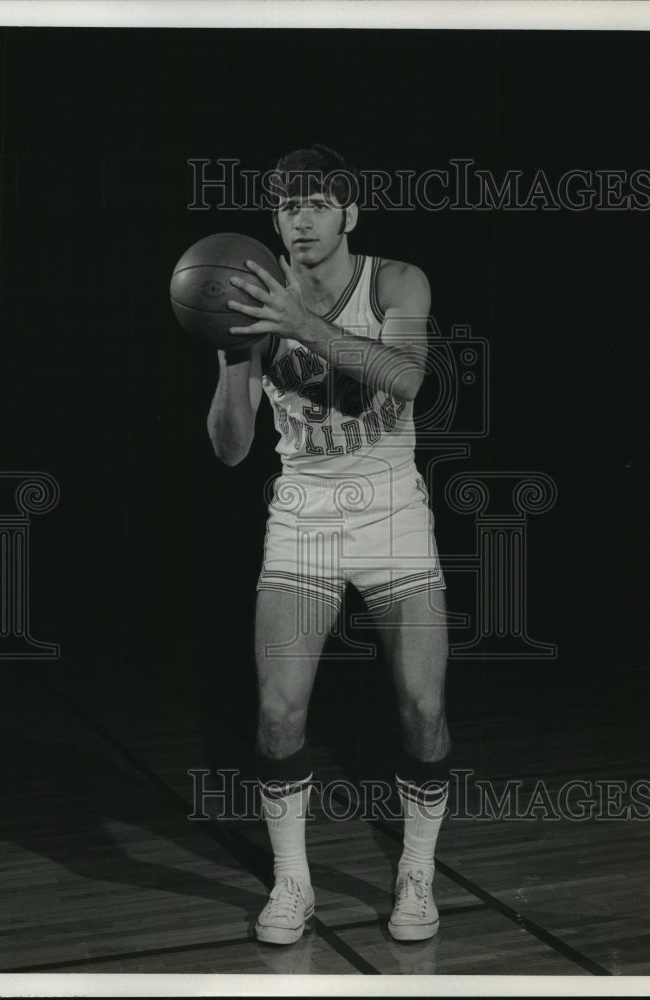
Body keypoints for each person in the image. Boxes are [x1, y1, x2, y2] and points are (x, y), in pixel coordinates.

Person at [207, 145, 452, 945]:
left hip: (391, 517)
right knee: (278, 715)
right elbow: (232, 450)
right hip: (304, 518)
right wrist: (230, 360)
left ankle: (415, 872)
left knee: (422, 710)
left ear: (349, 214)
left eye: (315, 202)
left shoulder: (394, 281)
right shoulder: (247, 298)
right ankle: (292, 882)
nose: (300, 219)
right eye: (285, 207)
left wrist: (302, 326)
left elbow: (409, 379)